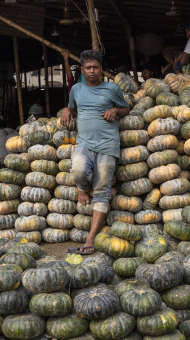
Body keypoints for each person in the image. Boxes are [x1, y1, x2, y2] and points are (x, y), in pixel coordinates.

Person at [60, 50, 130, 254]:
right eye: (88, 68)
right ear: (82, 70)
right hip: (84, 142)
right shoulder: (77, 90)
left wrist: (116, 111)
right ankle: (82, 188)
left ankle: (90, 239)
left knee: (101, 190)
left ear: (101, 69)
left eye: (96, 67)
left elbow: (126, 109)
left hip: (108, 145)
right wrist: (66, 110)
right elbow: (73, 110)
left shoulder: (112, 88)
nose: (92, 71)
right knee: (78, 171)